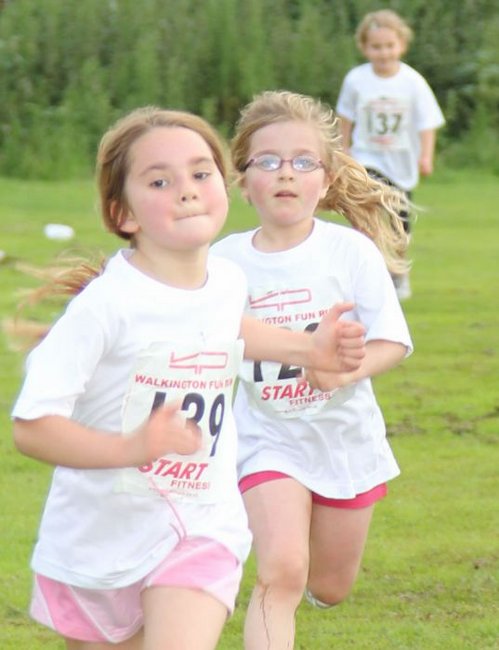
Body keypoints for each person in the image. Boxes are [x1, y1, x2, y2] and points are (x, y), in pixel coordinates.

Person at [10, 106, 367, 650]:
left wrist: (309, 347)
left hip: (202, 525)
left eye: (201, 173)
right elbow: (32, 427)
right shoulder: (105, 307)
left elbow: (228, 325)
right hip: (96, 542)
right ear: (121, 213)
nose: (187, 190)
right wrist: (132, 447)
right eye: (160, 180)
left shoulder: (225, 279)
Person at [212, 90, 413, 650]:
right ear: (243, 177)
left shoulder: (349, 252)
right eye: (268, 161)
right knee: (281, 571)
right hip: (266, 438)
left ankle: (312, 587)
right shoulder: (222, 263)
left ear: (324, 180)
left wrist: (342, 371)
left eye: (303, 162)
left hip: (345, 441)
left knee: (328, 585)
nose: (286, 173)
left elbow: (393, 341)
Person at [336, 8, 445, 300]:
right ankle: (364, 271)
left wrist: (426, 156)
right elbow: (345, 118)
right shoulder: (356, 80)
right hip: (366, 158)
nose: (383, 53)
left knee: (399, 218)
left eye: (389, 46)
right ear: (364, 47)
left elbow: (427, 123)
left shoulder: (412, 82)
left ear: (401, 45)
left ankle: (398, 272)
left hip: (401, 163)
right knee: (365, 211)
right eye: (376, 46)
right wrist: (343, 150)